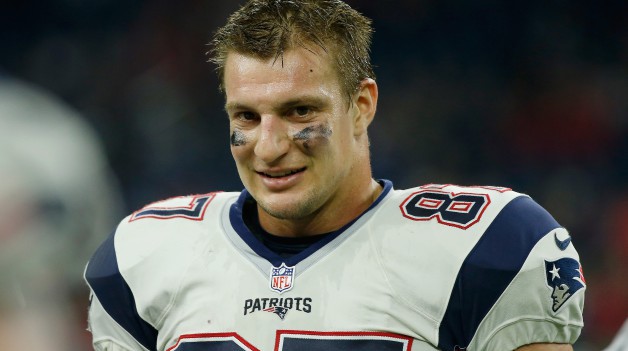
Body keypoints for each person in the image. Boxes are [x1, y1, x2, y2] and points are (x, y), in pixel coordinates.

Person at [84, 0, 586, 350]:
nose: (270, 146)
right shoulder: (145, 256)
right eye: (247, 117)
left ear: (362, 105)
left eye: (300, 111)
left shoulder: (488, 247)